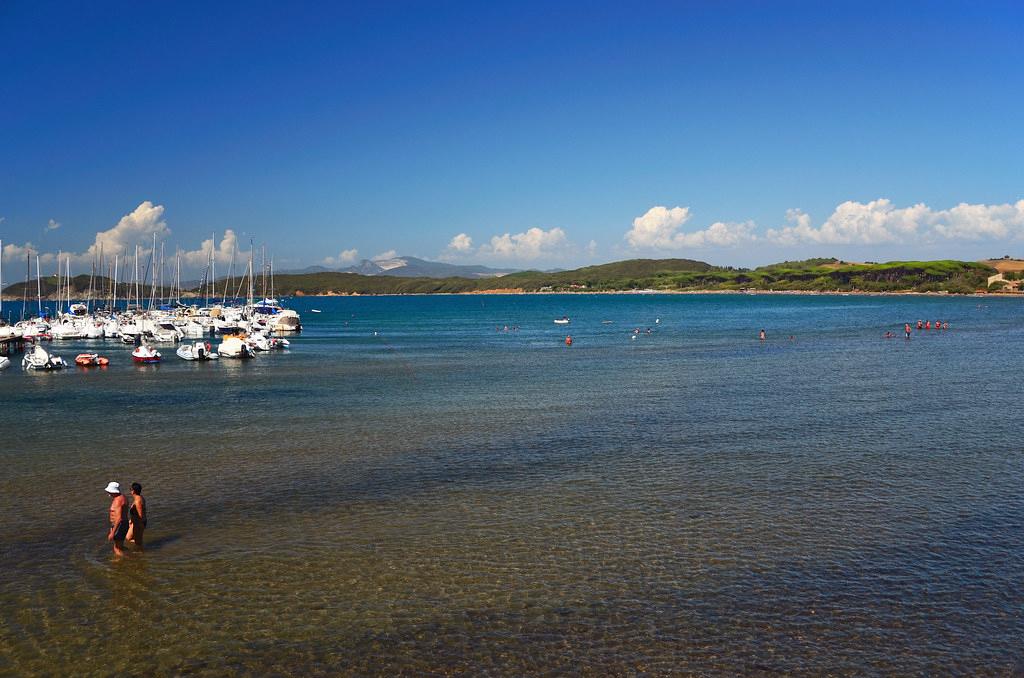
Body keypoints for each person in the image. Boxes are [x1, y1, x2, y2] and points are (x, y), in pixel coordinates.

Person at [105, 482, 129, 557]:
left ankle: (122, 561)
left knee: (117, 548)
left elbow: (118, 518)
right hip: (123, 524)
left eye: (109, 492)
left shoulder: (117, 501)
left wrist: (112, 533)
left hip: (120, 525)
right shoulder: (123, 497)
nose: (108, 493)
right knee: (120, 546)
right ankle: (131, 556)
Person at [125, 482, 147, 550]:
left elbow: (140, 515)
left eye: (130, 489)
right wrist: (131, 520)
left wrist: (140, 526)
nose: (130, 490)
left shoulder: (138, 501)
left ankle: (141, 553)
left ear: (133, 491)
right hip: (135, 522)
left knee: (138, 542)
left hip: (139, 523)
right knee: (128, 538)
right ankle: (141, 548)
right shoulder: (139, 497)